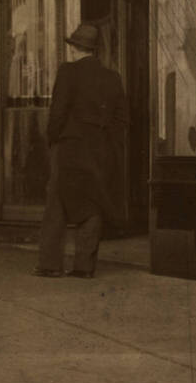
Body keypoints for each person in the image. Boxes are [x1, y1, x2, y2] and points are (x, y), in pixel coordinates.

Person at [35, 23, 128, 279]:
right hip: (98, 147)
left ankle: (50, 264)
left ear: (75, 49)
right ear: (94, 50)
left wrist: (52, 138)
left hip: (69, 144)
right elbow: (121, 119)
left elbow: (58, 112)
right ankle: (84, 267)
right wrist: (107, 142)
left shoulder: (68, 72)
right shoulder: (112, 77)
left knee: (57, 199)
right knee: (93, 201)